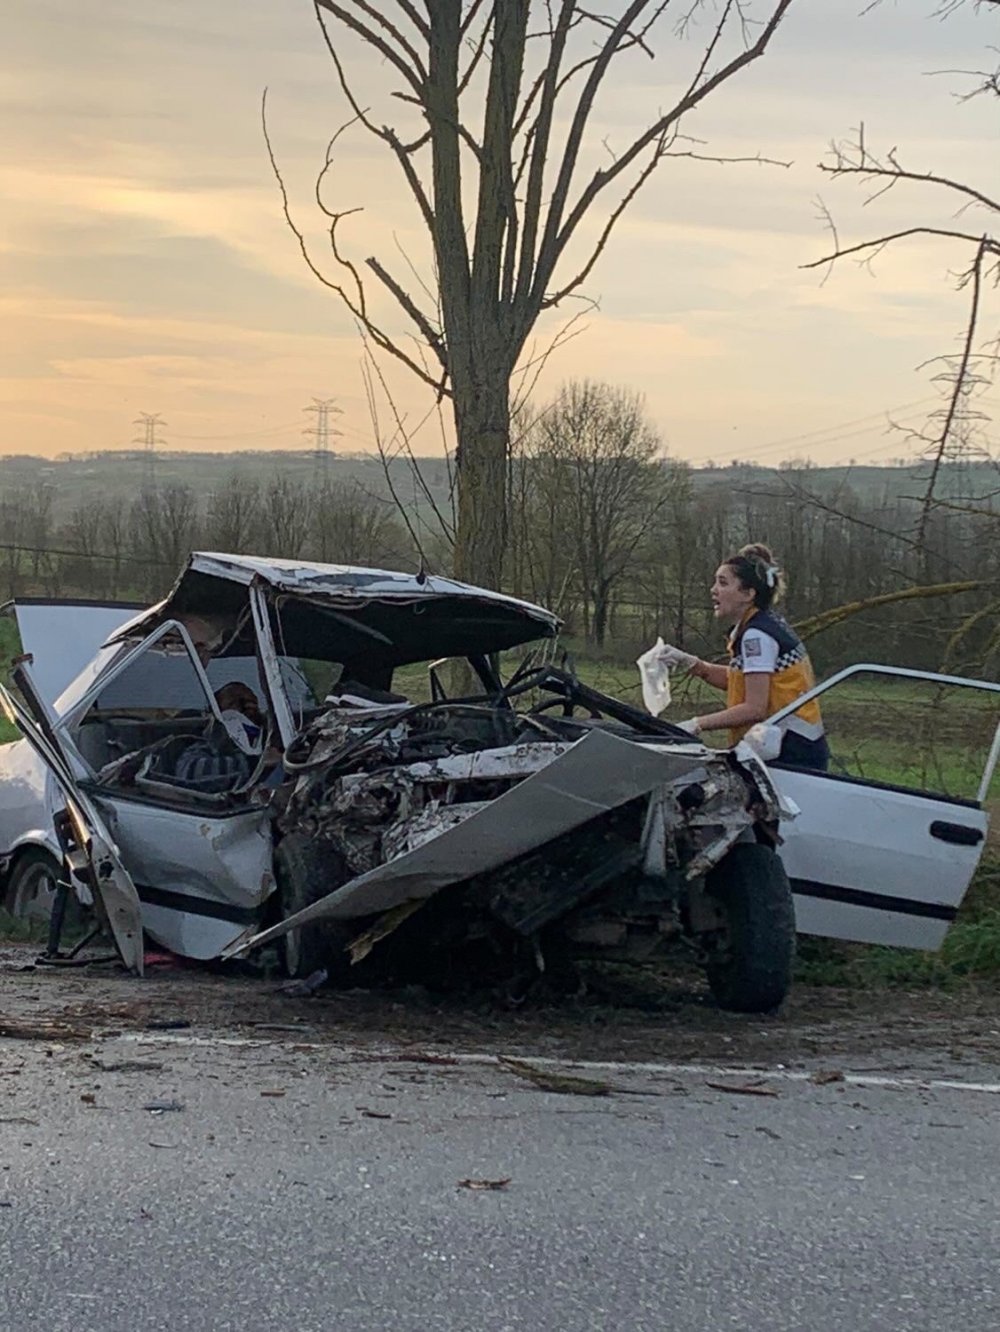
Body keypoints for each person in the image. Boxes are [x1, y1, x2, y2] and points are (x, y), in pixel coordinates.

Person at [659, 543, 829, 771]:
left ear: (748, 594)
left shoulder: (756, 636)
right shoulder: (762, 623)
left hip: (790, 752)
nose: (713, 590)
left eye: (723, 582)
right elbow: (742, 681)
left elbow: (754, 707)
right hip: (792, 746)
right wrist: (695, 665)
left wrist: (697, 724)